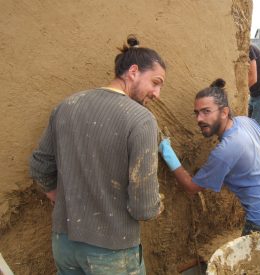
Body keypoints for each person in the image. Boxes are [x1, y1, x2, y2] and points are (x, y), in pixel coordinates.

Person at [29, 35, 166, 274]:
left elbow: (40, 166)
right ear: (133, 71)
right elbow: (143, 207)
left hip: (64, 244)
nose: (157, 93)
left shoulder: (67, 106)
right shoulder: (141, 119)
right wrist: (156, 205)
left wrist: (60, 199)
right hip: (112, 251)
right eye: (155, 82)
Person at [159, 78, 260, 236]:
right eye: (197, 113)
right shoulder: (246, 122)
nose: (199, 119)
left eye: (206, 111)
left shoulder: (226, 150)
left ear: (224, 112)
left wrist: (168, 154)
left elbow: (191, 187)